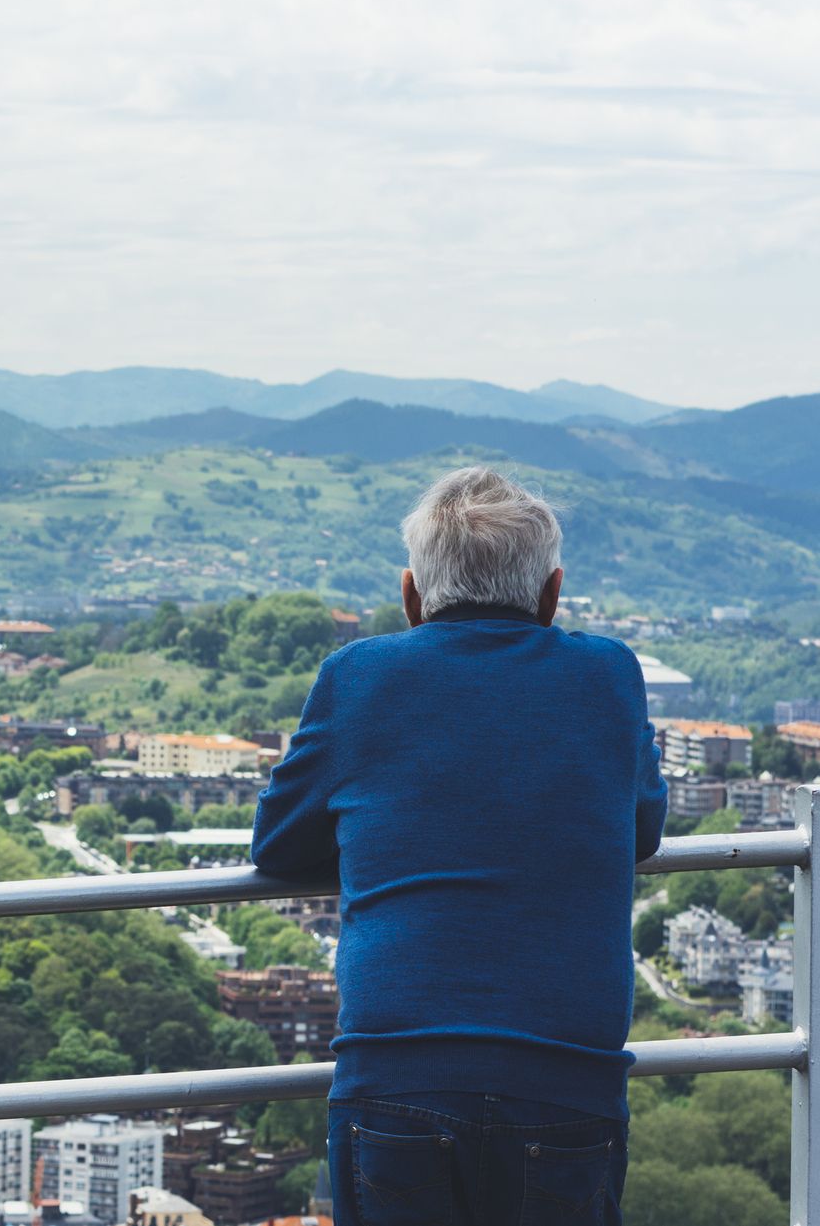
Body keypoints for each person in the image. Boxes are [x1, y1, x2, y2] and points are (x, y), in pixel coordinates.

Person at [248, 465, 666, 1226]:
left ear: (412, 596)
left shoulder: (357, 678)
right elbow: (643, 829)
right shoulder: (609, 676)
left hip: (397, 1080)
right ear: (552, 594)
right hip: (567, 1085)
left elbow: (276, 844)